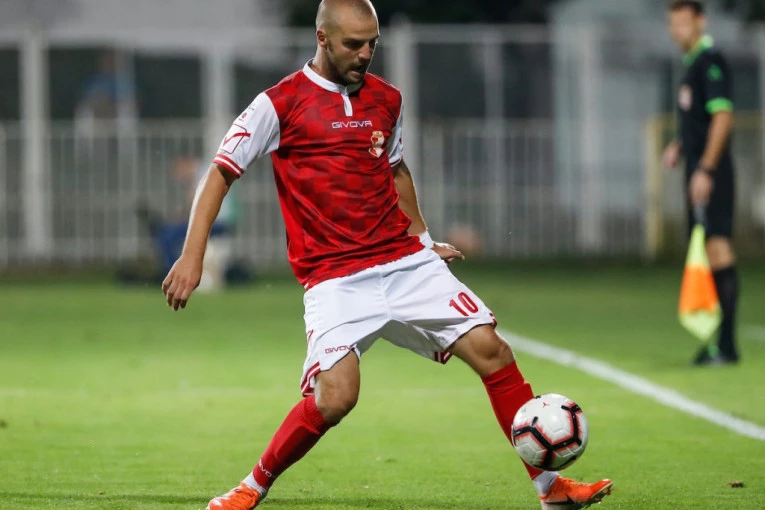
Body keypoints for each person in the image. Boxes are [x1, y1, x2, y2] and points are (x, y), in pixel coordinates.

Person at [161, 1, 613, 508]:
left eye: (372, 43)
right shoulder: (279, 104)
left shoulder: (387, 99)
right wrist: (192, 256)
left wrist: (423, 240)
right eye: (353, 43)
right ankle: (252, 485)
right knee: (336, 397)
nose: (365, 53)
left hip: (405, 263)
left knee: (492, 350)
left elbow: (395, 170)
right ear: (322, 38)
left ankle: (552, 491)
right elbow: (220, 172)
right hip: (335, 278)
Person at [663, 0, 740, 366]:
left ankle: (726, 346)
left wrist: (706, 169)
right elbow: (700, 121)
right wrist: (680, 145)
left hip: (713, 173)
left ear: (700, 22)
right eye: (673, 23)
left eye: (684, 22)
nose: (677, 30)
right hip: (699, 170)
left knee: (718, 248)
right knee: (710, 251)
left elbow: (722, 116)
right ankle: (720, 344)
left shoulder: (710, 61)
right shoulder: (692, 65)